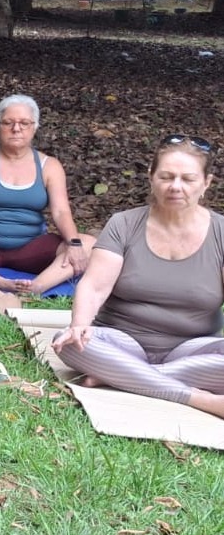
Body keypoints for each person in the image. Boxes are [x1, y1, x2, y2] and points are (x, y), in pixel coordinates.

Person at [53, 135, 224, 418]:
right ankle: (199, 399)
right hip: (121, 342)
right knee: (68, 342)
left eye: (188, 179)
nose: (175, 187)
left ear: (206, 183)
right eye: (166, 176)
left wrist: (116, 372)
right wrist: (79, 325)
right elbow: (94, 287)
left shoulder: (221, 233)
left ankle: (120, 377)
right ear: (151, 177)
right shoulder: (124, 223)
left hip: (192, 350)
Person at [0, 95, 94, 298]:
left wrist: (74, 244)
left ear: (34, 127)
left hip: (30, 249)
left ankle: (36, 287)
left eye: (24, 123)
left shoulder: (49, 166)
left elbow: (61, 212)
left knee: (90, 245)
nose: (16, 129)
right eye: (9, 123)